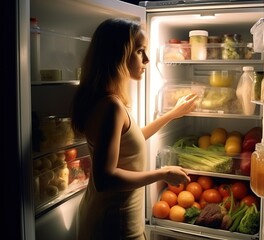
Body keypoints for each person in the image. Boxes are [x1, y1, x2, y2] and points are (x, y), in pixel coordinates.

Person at [70, 18, 198, 240]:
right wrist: (163, 173)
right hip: (114, 223)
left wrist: (172, 114)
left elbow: (131, 140)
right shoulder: (111, 106)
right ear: (118, 55)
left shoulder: (104, 100)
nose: (147, 59)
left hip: (106, 215)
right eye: (140, 51)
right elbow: (104, 179)